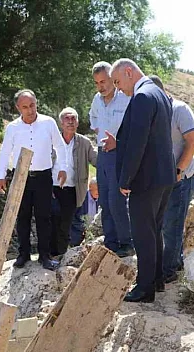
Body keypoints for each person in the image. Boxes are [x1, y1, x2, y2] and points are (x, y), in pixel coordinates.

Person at [107, 58, 176, 303]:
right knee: (154, 230)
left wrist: (125, 179)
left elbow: (138, 143)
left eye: (117, 81)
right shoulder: (158, 92)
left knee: (142, 233)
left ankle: (144, 288)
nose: (118, 88)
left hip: (146, 179)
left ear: (129, 72)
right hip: (164, 176)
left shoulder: (143, 97)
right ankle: (156, 280)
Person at [0, 89, 68, 270]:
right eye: (25, 107)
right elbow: (5, 152)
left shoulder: (48, 123)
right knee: (22, 216)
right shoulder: (12, 127)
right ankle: (23, 254)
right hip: (20, 177)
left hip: (43, 176)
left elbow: (60, 146)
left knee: (44, 217)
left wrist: (62, 168)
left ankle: (45, 256)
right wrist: (1, 175)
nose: (30, 110)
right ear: (18, 108)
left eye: (32, 105)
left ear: (37, 103)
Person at [149, 76, 194, 284]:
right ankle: (174, 262)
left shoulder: (180, 110)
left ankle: (169, 270)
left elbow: (193, 142)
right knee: (163, 224)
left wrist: (177, 170)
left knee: (173, 224)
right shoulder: (153, 112)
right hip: (160, 180)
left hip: (181, 177)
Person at [89, 61, 134, 257]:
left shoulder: (125, 98)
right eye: (97, 83)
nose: (102, 86)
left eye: (105, 81)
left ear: (112, 79)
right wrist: (99, 130)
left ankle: (127, 242)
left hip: (119, 154)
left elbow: (134, 128)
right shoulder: (96, 100)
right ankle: (111, 241)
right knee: (104, 199)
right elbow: (93, 119)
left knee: (117, 200)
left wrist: (119, 142)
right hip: (102, 155)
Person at [49, 107, 97, 257]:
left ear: (77, 123)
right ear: (61, 123)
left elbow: (96, 160)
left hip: (72, 190)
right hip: (52, 188)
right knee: (52, 220)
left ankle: (61, 255)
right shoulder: (52, 141)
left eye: (73, 119)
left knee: (65, 223)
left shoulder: (84, 142)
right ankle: (48, 254)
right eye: (67, 119)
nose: (70, 122)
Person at [70, 178, 99, 247]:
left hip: (93, 232)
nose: (99, 191)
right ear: (90, 187)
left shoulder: (101, 199)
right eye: (97, 189)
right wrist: (83, 228)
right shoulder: (81, 197)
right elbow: (71, 217)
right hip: (77, 232)